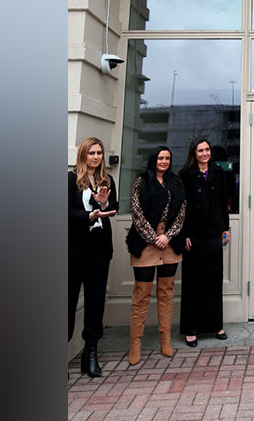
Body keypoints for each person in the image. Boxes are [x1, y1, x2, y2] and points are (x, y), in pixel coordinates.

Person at [124, 146, 187, 364]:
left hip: (169, 243)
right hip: (145, 243)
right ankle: (135, 344)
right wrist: (153, 237)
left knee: (166, 292)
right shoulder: (141, 181)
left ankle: (165, 340)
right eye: (160, 157)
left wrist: (167, 236)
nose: (164, 161)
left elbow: (181, 213)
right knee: (141, 294)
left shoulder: (176, 182)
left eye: (168, 158)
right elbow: (136, 212)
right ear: (153, 159)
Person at [68, 137, 118, 377]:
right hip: (74, 251)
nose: (96, 157)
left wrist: (104, 201)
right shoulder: (70, 180)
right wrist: (88, 215)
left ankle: (90, 355)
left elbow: (114, 208)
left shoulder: (107, 181)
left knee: (95, 303)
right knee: (67, 302)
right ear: (83, 155)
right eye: (92, 153)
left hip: (99, 251)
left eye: (99, 153)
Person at [178, 138, 231, 347]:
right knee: (192, 282)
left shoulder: (218, 172)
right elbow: (183, 207)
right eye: (200, 150)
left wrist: (225, 228)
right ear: (194, 153)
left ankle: (216, 325)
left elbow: (223, 201)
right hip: (194, 234)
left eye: (207, 150)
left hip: (214, 231)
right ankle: (191, 329)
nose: (204, 153)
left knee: (214, 279)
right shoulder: (186, 175)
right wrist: (185, 233)